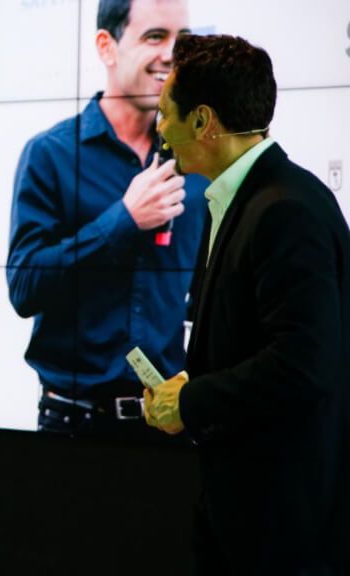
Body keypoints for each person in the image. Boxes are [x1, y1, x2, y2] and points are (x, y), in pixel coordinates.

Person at [146, 34, 350, 574]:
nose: (159, 128)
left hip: (283, 534)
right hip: (247, 519)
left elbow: (305, 363)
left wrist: (192, 402)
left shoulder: (286, 209)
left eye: (166, 113)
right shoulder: (247, 199)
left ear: (202, 121)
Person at [7, 0, 207, 437]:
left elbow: (206, 296)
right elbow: (23, 289)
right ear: (106, 46)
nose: (173, 53)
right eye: (155, 36)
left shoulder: (198, 164)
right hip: (73, 426)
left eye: (183, 40)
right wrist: (124, 221)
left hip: (169, 430)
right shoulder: (52, 156)